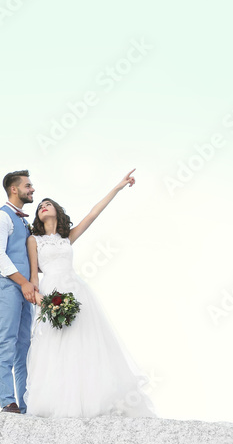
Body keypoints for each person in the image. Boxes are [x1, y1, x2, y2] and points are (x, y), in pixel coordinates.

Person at [23, 170, 157, 418]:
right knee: (54, 347)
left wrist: (118, 187)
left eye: (48, 203)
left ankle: (91, 401)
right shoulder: (34, 240)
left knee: (82, 344)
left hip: (76, 292)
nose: (43, 206)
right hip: (51, 295)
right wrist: (44, 302)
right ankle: (58, 404)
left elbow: (94, 213)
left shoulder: (66, 238)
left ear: (57, 212)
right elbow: (33, 277)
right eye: (40, 205)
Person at [0, 170, 39, 414]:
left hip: (24, 290)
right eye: (28, 185)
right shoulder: (0, 217)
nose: (32, 189)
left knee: (24, 346)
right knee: (7, 342)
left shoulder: (23, 221)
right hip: (6, 286)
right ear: (14, 189)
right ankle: (8, 401)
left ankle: (26, 403)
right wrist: (23, 282)